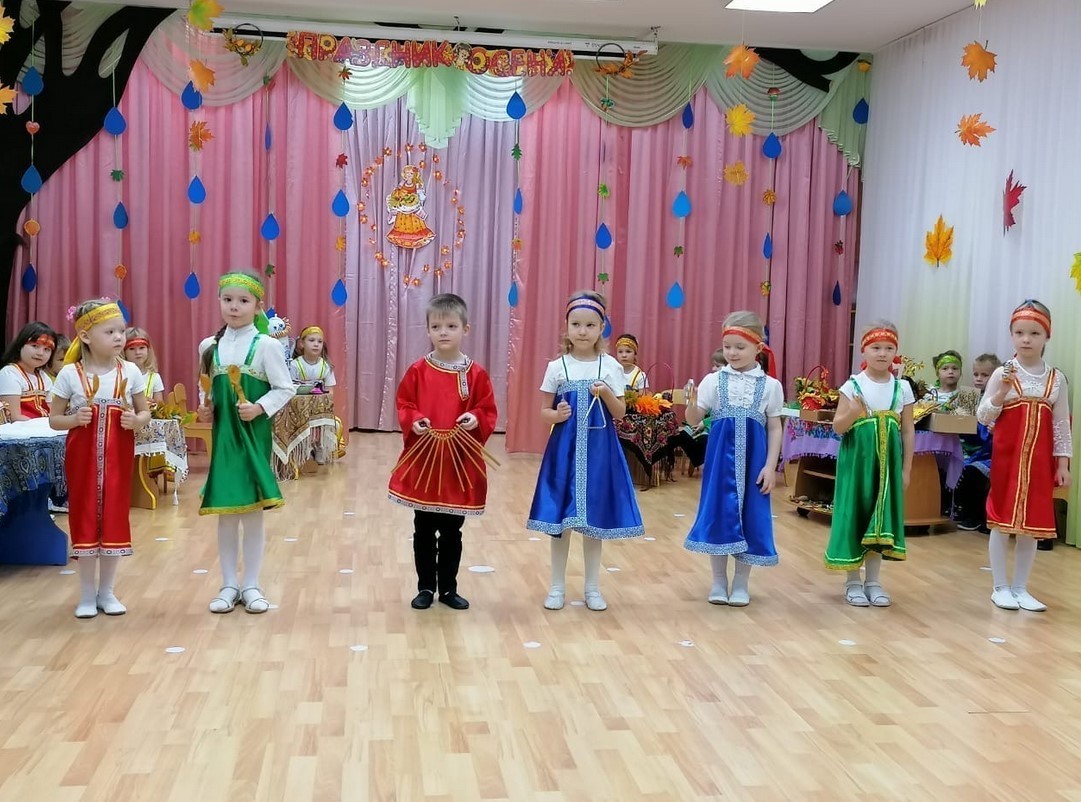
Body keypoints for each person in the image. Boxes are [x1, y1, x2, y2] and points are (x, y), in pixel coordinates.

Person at [526, 291, 644, 612]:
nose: (582, 331)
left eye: (590, 325)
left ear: (602, 328)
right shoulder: (557, 366)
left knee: (595, 521)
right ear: (566, 326)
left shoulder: (610, 366)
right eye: (576, 324)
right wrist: (557, 415)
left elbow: (620, 412)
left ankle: (592, 587)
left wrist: (605, 393)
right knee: (561, 522)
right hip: (563, 453)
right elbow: (544, 412)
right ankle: (556, 587)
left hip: (599, 454)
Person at [388, 294, 498, 611]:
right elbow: (405, 403)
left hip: (459, 464)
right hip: (425, 461)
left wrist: (475, 417)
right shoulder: (417, 370)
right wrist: (414, 419)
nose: (443, 332)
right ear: (428, 330)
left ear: (465, 329)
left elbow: (487, 408)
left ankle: (448, 589)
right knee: (423, 528)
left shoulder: (475, 374)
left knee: (452, 530)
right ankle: (425, 587)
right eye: (436, 327)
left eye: (451, 326)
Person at [198, 272, 294, 615]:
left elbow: (285, 388)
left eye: (243, 301)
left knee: (252, 512)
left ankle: (251, 584)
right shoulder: (209, 346)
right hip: (224, 439)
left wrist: (259, 407)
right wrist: (206, 408)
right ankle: (228, 584)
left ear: (257, 306)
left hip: (253, 436)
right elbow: (207, 388)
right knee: (226, 513)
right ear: (219, 302)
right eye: (228, 300)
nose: (234, 307)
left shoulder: (267, 345)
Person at [49, 299, 150, 618]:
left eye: (121, 330)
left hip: (118, 458)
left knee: (114, 516)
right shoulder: (69, 374)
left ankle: (107, 592)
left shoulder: (130, 371)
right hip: (82, 459)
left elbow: (145, 412)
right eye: (110, 332)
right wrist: (74, 419)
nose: (119, 337)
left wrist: (136, 421)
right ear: (85, 336)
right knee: (84, 516)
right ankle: (86, 595)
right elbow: (54, 420)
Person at [683, 312, 784, 606]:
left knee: (750, 516)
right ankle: (718, 581)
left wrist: (771, 466)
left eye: (740, 347)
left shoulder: (770, 386)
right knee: (718, 515)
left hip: (754, 463)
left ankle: (741, 582)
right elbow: (694, 420)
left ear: (758, 347)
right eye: (727, 346)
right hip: (720, 464)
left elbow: (774, 428)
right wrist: (691, 402)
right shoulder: (713, 381)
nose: (732, 353)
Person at [978, 300, 1071, 611]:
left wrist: (1063, 464)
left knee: (1032, 525)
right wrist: (1001, 392)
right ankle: (999, 587)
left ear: (1047, 336)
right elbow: (983, 416)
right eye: (1019, 333)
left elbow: (1061, 424)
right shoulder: (1002, 373)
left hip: (1040, 464)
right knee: (1002, 521)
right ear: (1012, 335)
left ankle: (1020, 588)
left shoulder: (1056, 379)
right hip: (1007, 460)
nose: (1026, 339)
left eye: (1034, 333)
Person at [824, 321, 915, 607]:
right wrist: (853, 412)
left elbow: (908, 430)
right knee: (855, 516)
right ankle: (852, 581)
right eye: (876, 347)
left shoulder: (902, 388)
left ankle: (873, 581)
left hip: (887, 468)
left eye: (889, 348)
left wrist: (906, 469)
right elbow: (838, 427)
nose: (882, 353)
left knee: (879, 519)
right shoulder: (853, 386)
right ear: (864, 350)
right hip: (856, 465)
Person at [954, 354, 1001, 531]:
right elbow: (962, 432)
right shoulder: (968, 397)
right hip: (968, 449)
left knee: (974, 471)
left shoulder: (1000, 399)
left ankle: (976, 516)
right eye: (976, 374)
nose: (979, 379)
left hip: (991, 453)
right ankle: (957, 510)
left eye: (985, 375)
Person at [0, 321, 58, 421]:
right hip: (20, 429)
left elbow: (52, 413)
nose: (40, 353)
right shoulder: (9, 374)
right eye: (35, 346)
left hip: (44, 428)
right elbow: (13, 417)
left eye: (47, 349)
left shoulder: (44, 377)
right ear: (20, 346)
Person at [923, 351, 979, 415]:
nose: (950, 371)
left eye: (955, 368)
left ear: (960, 372)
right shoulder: (928, 395)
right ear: (937, 373)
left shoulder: (967, 396)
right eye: (945, 368)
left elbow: (969, 419)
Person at [124, 327, 165, 405]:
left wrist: (152, 404)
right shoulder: (120, 375)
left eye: (141, 348)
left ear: (148, 350)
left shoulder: (154, 377)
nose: (137, 352)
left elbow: (160, 407)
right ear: (124, 352)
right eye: (132, 349)